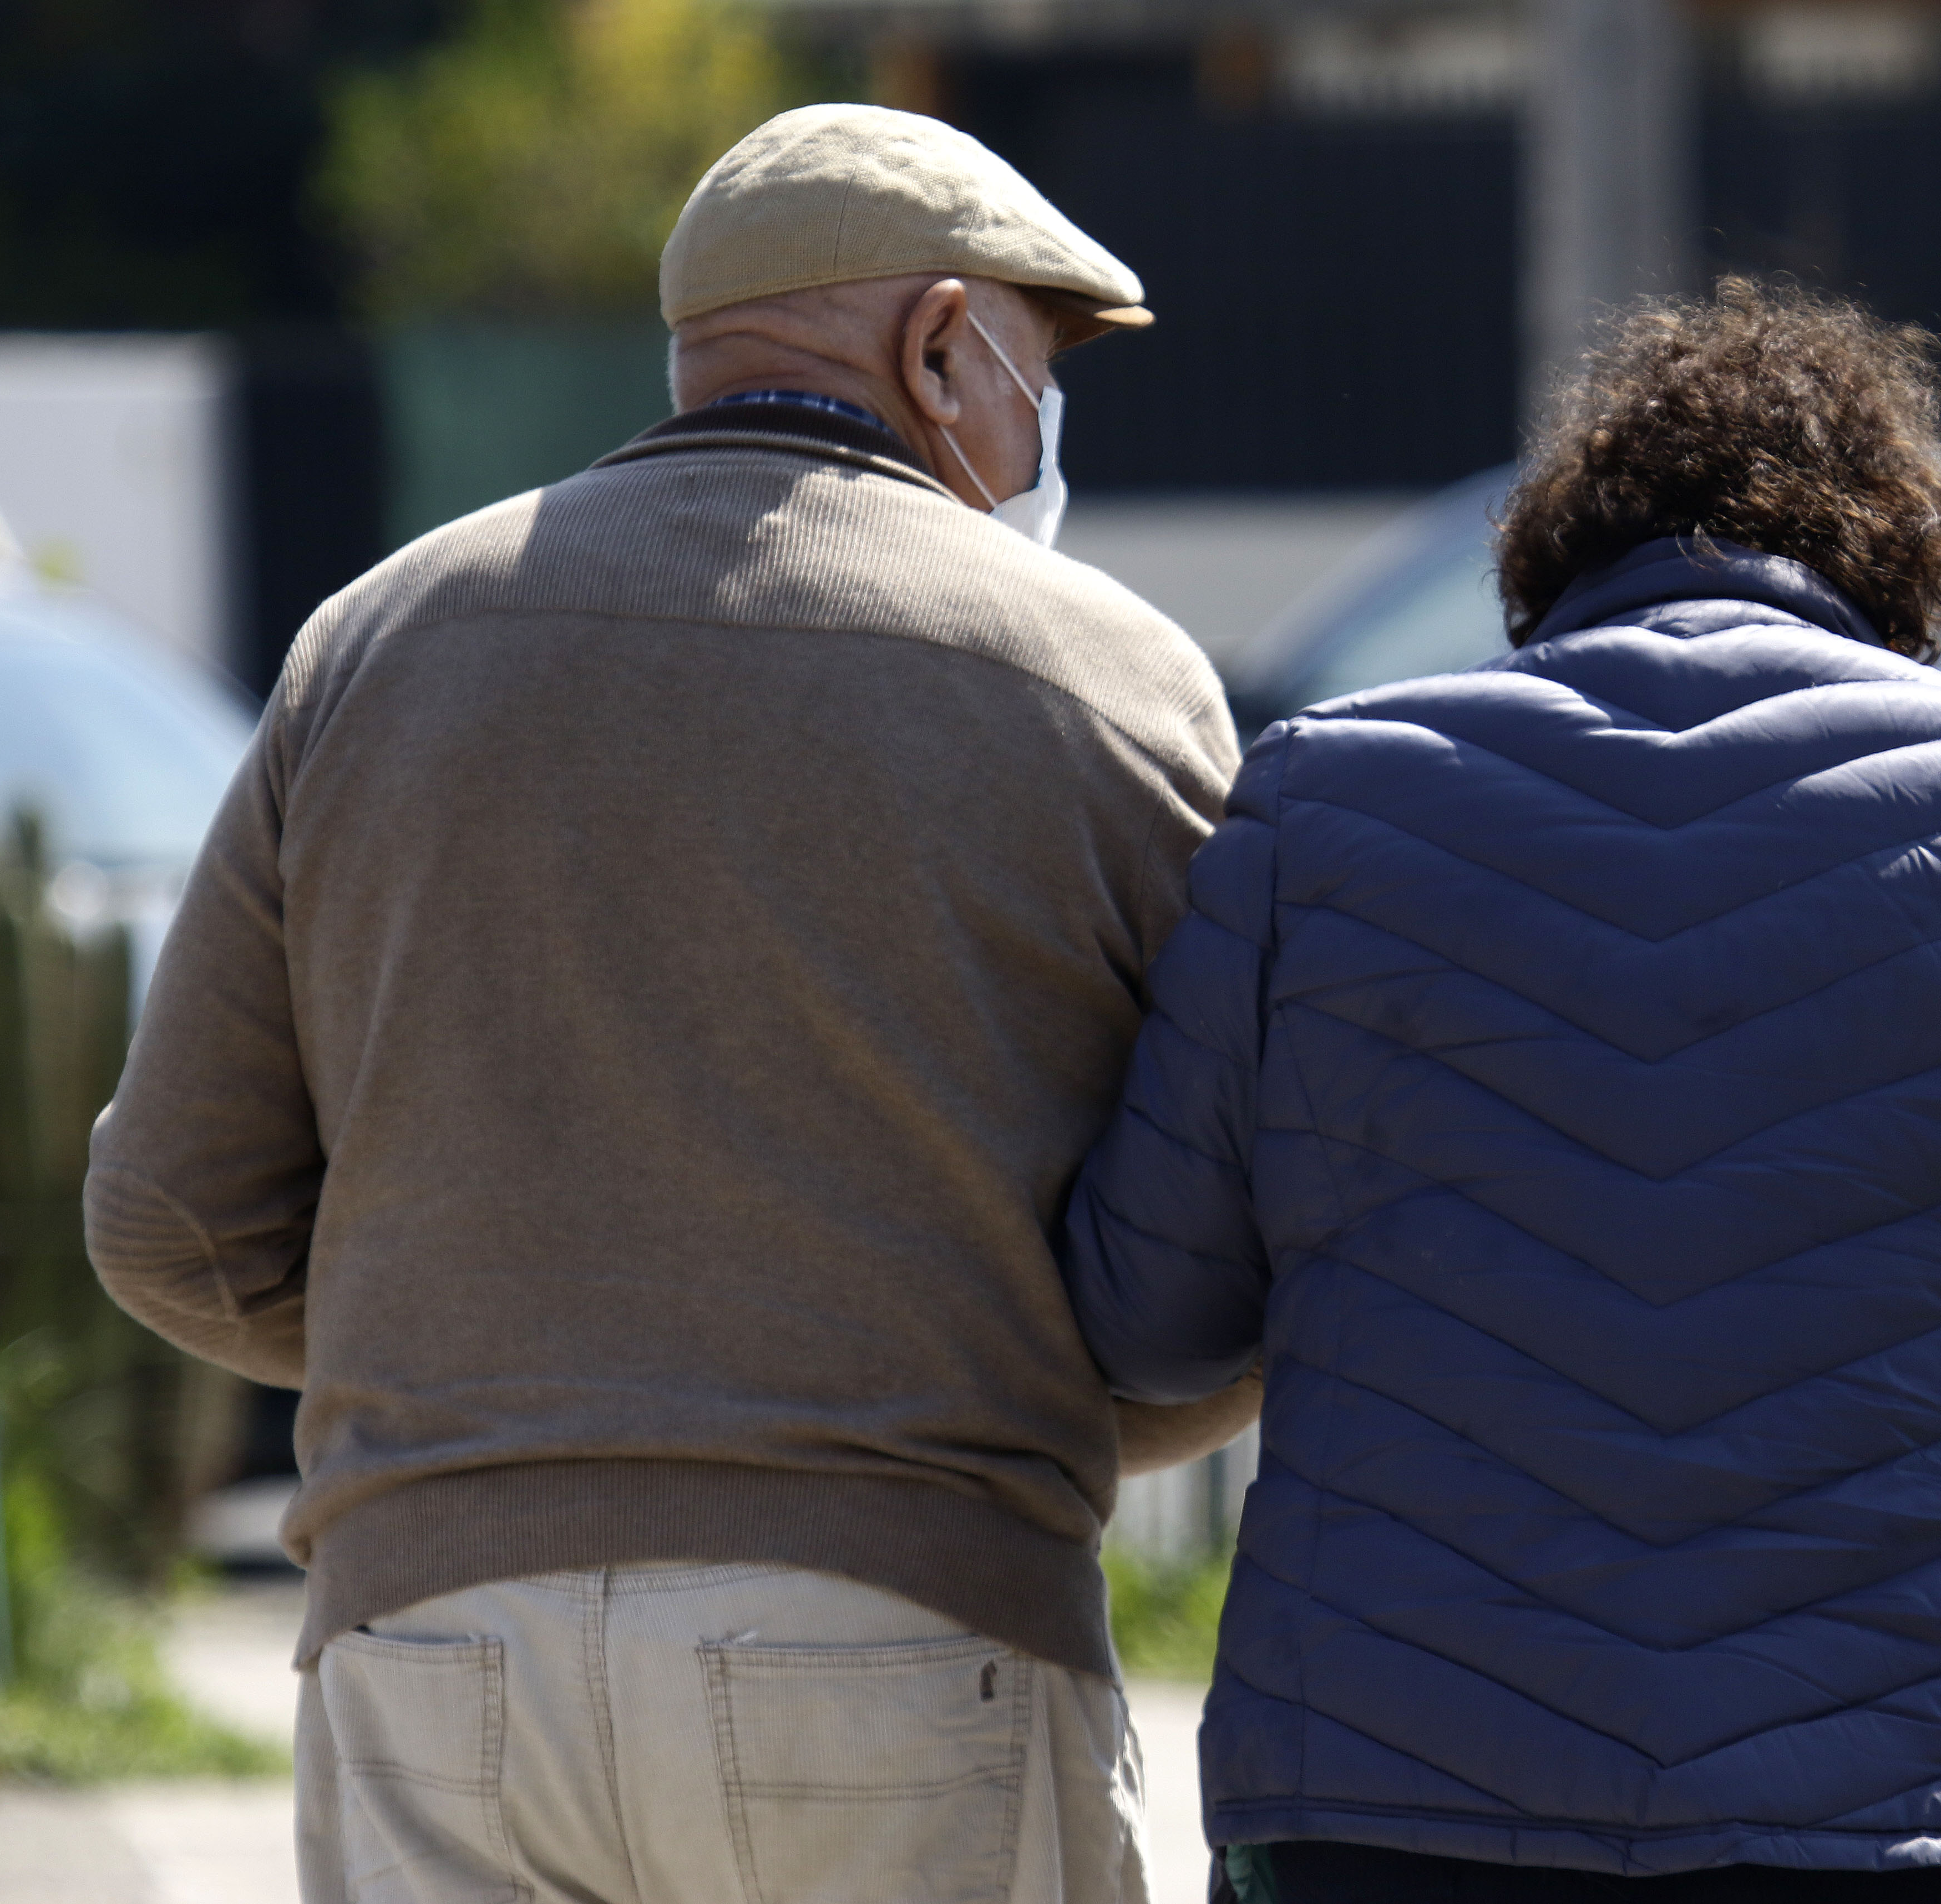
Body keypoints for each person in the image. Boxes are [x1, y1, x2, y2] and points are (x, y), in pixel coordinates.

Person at [1058, 282, 1941, 1904]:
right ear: (1902, 572)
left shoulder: (1324, 805)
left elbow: (1147, 1317)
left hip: (1407, 1821)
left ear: (1551, 565)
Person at [87, 103, 1255, 1904]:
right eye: (1038, 359)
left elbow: (169, 1212)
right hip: (910, 1623)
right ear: (943, 345)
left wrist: (496, 1358)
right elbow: (1220, 1260)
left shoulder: (374, 647)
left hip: (431, 1648)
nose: (1045, 419)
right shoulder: (1107, 682)